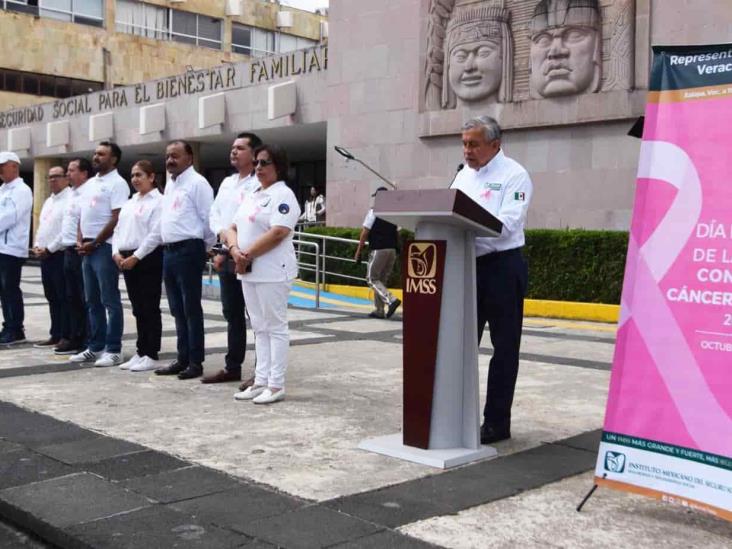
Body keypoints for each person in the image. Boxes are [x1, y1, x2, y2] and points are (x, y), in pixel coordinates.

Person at [450, 115, 532, 444]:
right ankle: (455, 417)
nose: (467, 151)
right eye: (464, 144)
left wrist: (467, 223)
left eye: (474, 144)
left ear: (495, 144)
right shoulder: (461, 176)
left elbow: (508, 224)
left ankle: (497, 423)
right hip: (466, 266)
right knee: (461, 344)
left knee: (504, 348)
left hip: (502, 267)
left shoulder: (515, 175)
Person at [225, 144, 300, 404]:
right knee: (259, 327)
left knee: (275, 327)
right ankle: (261, 380)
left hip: (271, 270)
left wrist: (246, 256)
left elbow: (279, 232)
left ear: (278, 166)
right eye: (256, 163)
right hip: (248, 270)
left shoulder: (284, 195)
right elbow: (231, 227)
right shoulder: (253, 195)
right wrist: (235, 250)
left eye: (264, 163)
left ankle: (276, 383)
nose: (258, 168)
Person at [202, 132, 262, 385]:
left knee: (257, 318)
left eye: (240, 148)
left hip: (249, 256)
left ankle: (262, 371)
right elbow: (215, 214)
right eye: (232, 147)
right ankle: (232, 366)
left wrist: (230, 246)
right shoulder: (227, 183)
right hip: (227, 254)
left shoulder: (258, 183)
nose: (234, 151)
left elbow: (246, 220)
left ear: (254, 154)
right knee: (232, 314)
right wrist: (223, 244)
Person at [154, 140, 215, 381]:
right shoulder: (171, 183)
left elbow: (209, 219)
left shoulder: (198, 183)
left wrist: (203, 247)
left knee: (191, 308)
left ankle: (195, 362)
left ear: (189, 158)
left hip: (189, 249)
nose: (170, 160)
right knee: (177, 309)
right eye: (168, 156)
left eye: (176, 156)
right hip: (169, 251)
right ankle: (182, 358)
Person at [70, 142, 129, 367]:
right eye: (95, 153)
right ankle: (95, 347)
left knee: (109, 300)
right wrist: (80, 239)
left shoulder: (118, 183)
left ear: (113, 159)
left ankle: (113, 349)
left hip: (103, 248)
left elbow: (116, 218)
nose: (96, 157)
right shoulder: (90, 184)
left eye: (101, 154)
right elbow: (82, 215)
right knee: (91, 300)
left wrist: (95, 242)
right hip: (86, 247)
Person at [112, 160, 163, 372]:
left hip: (147, 257)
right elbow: (118, 229)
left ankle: (151, 353)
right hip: (125, 257)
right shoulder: (130, 202)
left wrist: (137, 256)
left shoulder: (159, 201)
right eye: (132, 175)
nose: (135, 179)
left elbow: (155, 233)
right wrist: (115, 252)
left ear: (151, 177)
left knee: (149, 306)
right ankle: (140, 351)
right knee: (137, 308)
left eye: (139, 175)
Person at [54, 158, 92, 355]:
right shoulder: (72, 193)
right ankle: (75, 337)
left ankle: (88, 339)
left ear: (84, 173)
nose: (68, 174)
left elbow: (85, 219)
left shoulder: (89, 191)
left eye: (72, 170)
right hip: (68, 250)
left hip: (81, 250)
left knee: (86, 297)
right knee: (72, 297)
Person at [32, 165, 71, 348]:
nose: (52, 180)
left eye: (57, 176)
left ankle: (66, 334)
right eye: (50, 177)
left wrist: (50, 248)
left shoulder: (70, 198)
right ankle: (55, 333)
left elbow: (66, 231)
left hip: (60, 254)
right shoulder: (49, 201)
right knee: (52, 296)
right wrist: (38, 245)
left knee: (64, 296)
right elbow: (43, 226)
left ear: (66, 178)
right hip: (45, 255)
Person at [0, 151, 32, 346]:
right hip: (1, 248)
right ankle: (8, 326)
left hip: (12, 248)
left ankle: (16, 329)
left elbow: (11, 216)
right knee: (3, 291)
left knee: (10, 289)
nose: (0, 169)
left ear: (14, 166)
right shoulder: (3, 189)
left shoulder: (22, 190)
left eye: (3, 165)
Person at [354, 187, 401, 319]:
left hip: (379, 249)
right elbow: (397, 233)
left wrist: (358, 251)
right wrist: (398, 249)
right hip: (391, 250)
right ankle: (379, 310)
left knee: (371, 278)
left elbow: (365, 232)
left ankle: (391, 300)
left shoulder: (374, 211)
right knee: (381, 280)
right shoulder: (393, 213)